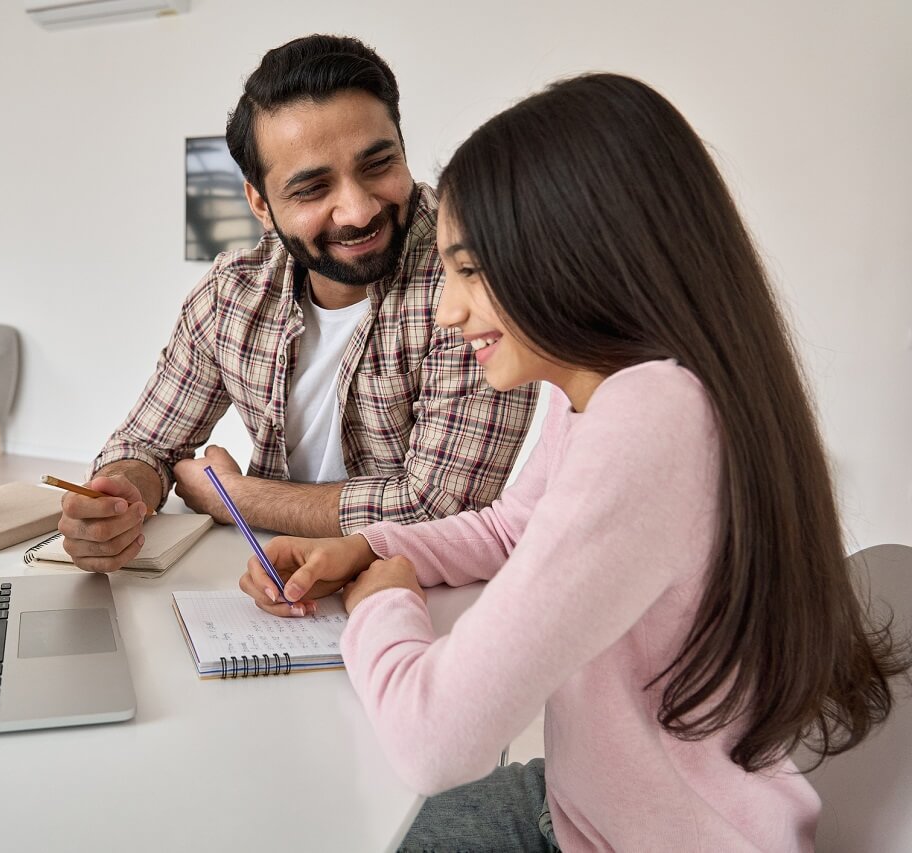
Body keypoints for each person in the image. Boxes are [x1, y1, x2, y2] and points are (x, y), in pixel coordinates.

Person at [239, 73, 910, 851]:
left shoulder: (653, 416)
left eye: (472, 270)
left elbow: (434, 742)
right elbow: (514, 525)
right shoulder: (603, 381)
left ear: (572, 255)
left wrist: (382, 603)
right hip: (583, 806)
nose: (451, 310)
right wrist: (375, 547)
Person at [59, 34, 537, 572]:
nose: (357, 211)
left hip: (428, 598)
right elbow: (147, 444)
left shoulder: (473, 276)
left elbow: (442, 508)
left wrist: (234, 497)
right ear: (260, 203)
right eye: (312, 189)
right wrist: (118, 499)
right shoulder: (233, 295)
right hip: (274, 587)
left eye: (378, 165)